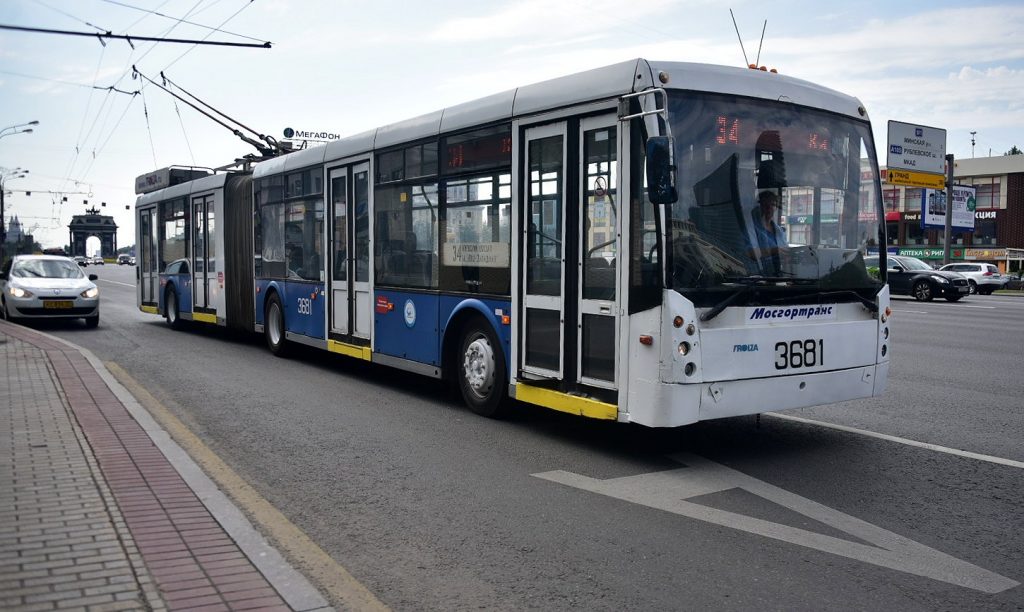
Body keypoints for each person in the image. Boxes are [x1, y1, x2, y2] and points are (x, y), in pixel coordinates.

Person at [750, 190, 787, 274]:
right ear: (759, 206)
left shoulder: (779, 231)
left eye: (773, 205)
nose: (769, 208)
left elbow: (785, 250)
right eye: (765, 204)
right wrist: (774, 251)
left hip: (779, 274)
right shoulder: (751, 228)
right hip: (758, 275)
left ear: (776, 207)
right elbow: (750, 253)